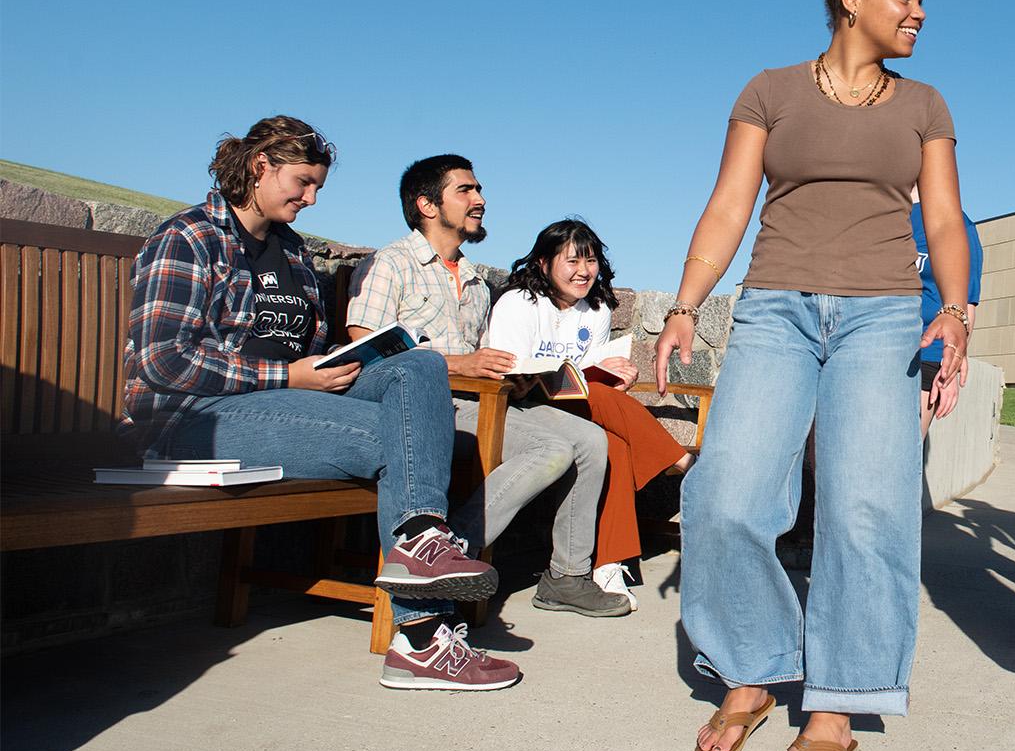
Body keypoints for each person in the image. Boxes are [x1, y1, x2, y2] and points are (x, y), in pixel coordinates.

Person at [659, 0, 969, 751]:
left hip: (883, 316)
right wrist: (685, 303)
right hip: (775, 309)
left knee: (865, 505)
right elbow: (729, 206)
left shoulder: (923, 105)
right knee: (724, 493)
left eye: (919, 2)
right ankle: (753, 670)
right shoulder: (769, 90)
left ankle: (839, 696)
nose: (917, 14)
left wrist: (958, 311)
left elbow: (941, 216)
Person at [121, 116, 517, 691]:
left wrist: (345, 360)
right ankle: (422, 637)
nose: (310, 198)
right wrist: (289, 376)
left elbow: (308, 351)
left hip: (284, 398)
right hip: (190, 422)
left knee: (421, 364)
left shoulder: (291, 251)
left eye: (317, 189)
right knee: (405, 443)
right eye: (302, 183)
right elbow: (163, 361)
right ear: (260, 166)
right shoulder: (189, 238)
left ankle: (418, 550)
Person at [346, 156, 623, 617]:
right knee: (552, 450)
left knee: (590, 439)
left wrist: (516, 375)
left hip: (482, 400)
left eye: (479, 190)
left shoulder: (475, 281)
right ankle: (440, 556)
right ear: (427, 205)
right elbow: (365, 352)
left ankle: (567, 577)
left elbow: (486, 359)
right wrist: (464, 363)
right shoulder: (390, 263)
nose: (481, 200)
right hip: (419, 406)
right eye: (466, 191)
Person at [483, 219, 695, 608]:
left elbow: (587, 367)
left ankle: (607, 565)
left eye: (591, 260)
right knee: (597, 396)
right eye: (572, 262)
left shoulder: (595, 309)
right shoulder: (518, 303)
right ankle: (685, 464)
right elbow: (509, 373)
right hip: (520, 406)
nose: (584, 271)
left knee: (613, 444)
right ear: (544, 263)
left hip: (574, 406)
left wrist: (616, 373)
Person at [911, 188, 982, 436]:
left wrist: (950, 368)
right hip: (866, 342)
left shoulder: (959, 225)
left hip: (925, 354)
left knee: (903, 451)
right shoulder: (879, 211)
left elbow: (966, 306)